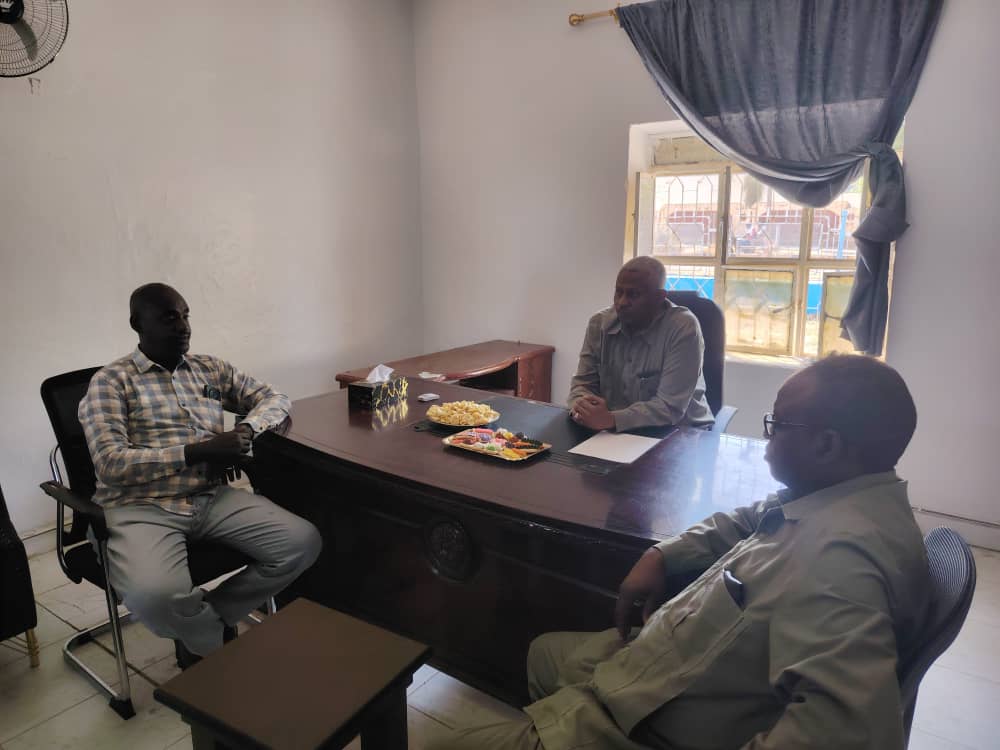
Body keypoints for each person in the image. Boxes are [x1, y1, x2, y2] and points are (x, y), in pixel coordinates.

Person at [433, 355, 929, 749]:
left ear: (827, 445)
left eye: (777, 424)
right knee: (542, 653)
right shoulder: (837, 495)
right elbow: (748, 518)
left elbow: (846, 735)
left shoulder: (839, 563)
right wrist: (663, 555)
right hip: (672, 666)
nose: (766, 437)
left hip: (654, 719)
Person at [78, 283, 321, 666]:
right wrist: (198, 451)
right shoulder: (110, 382)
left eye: (186, 315)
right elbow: (110, 462)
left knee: (302, 543)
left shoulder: (209, 368)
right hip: (140, 506)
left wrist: (246, 430)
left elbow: (276, 398)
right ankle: (208, 638)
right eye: (169, 318)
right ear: (137, 324)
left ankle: (202, 625)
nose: (183, 326)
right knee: (155, 598)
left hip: (209, 496)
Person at [568, 256, 713, 432]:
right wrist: (582, 408)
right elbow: (582, 384)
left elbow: (670, 407)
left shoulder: (683, 327)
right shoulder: (599, 324)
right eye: (619, 292)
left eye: (633, 294)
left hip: (681, 432)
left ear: (659, 298)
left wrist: (611, 419)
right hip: (615, 432)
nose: (622, 302)